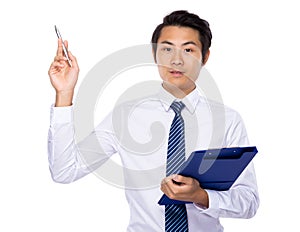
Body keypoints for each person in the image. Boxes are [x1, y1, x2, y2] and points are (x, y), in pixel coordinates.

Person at [48, 10, 259, 232]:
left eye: (188, 50)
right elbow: (64, 171)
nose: (176, 60)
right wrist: (65, 93)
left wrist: (201, 196)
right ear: (154, 54)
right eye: (167, 49)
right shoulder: (125, 117)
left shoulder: (227, 120)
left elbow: (249, 202)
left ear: (205, 57)